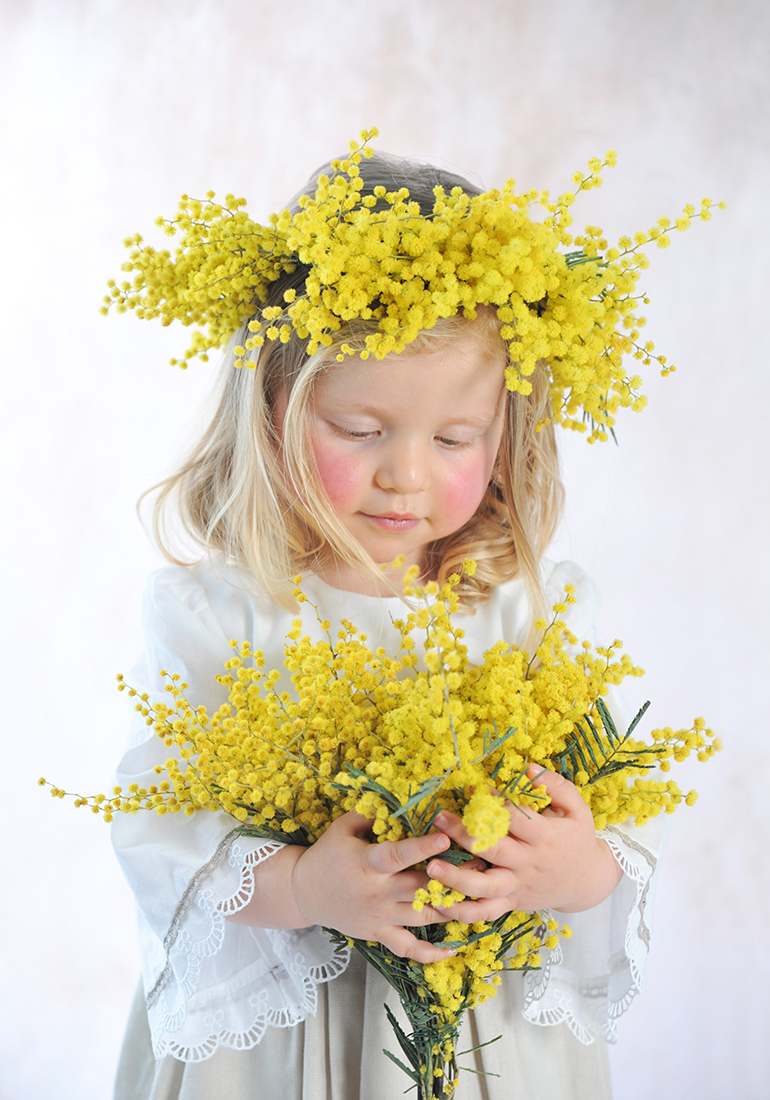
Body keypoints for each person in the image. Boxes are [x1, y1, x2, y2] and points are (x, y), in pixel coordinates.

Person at [111, 145, 667, 1100]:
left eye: (454, 438)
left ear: (507, 435)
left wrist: (575, 870)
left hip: (487, 1028)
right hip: (281, 1044)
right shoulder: (220, 615)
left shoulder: (532, 608)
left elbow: (608, 832)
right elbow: (164, 838)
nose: (405, 472)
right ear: (278, 405)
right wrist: (304, 890)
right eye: (361, 429)